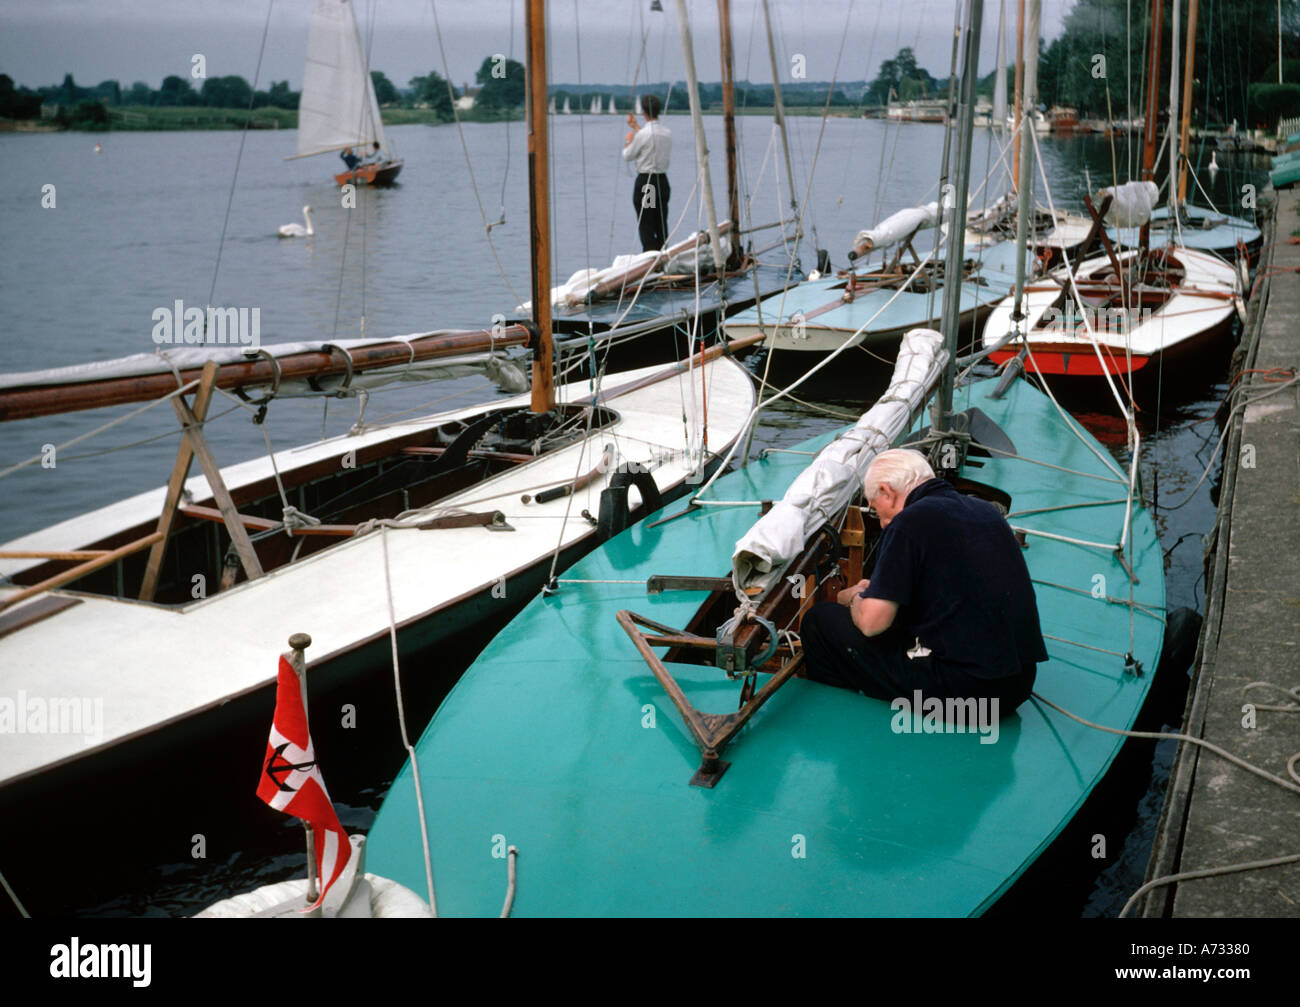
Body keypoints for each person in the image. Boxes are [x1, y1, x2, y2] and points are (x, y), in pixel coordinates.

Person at [799, 448, 1046, 714]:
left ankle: (845, 719)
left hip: (969, 696)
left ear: (886, 491)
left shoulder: (907, 522)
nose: (880, 523)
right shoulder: (987, 513)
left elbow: (872, 624)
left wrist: (852, 598)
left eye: (874, 508)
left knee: (821, 621)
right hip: (1018, 686)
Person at [621, 94, 671, 252]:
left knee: (647, 222)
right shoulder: (666, 133)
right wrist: (636, 126)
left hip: (647, 184)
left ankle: (650, 257)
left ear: (644, 112)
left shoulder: (643, 135)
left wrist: (629, 140)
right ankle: (663, 254)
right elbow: (650, 138)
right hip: (662, 182)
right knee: (660, 221)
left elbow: (627, 155)